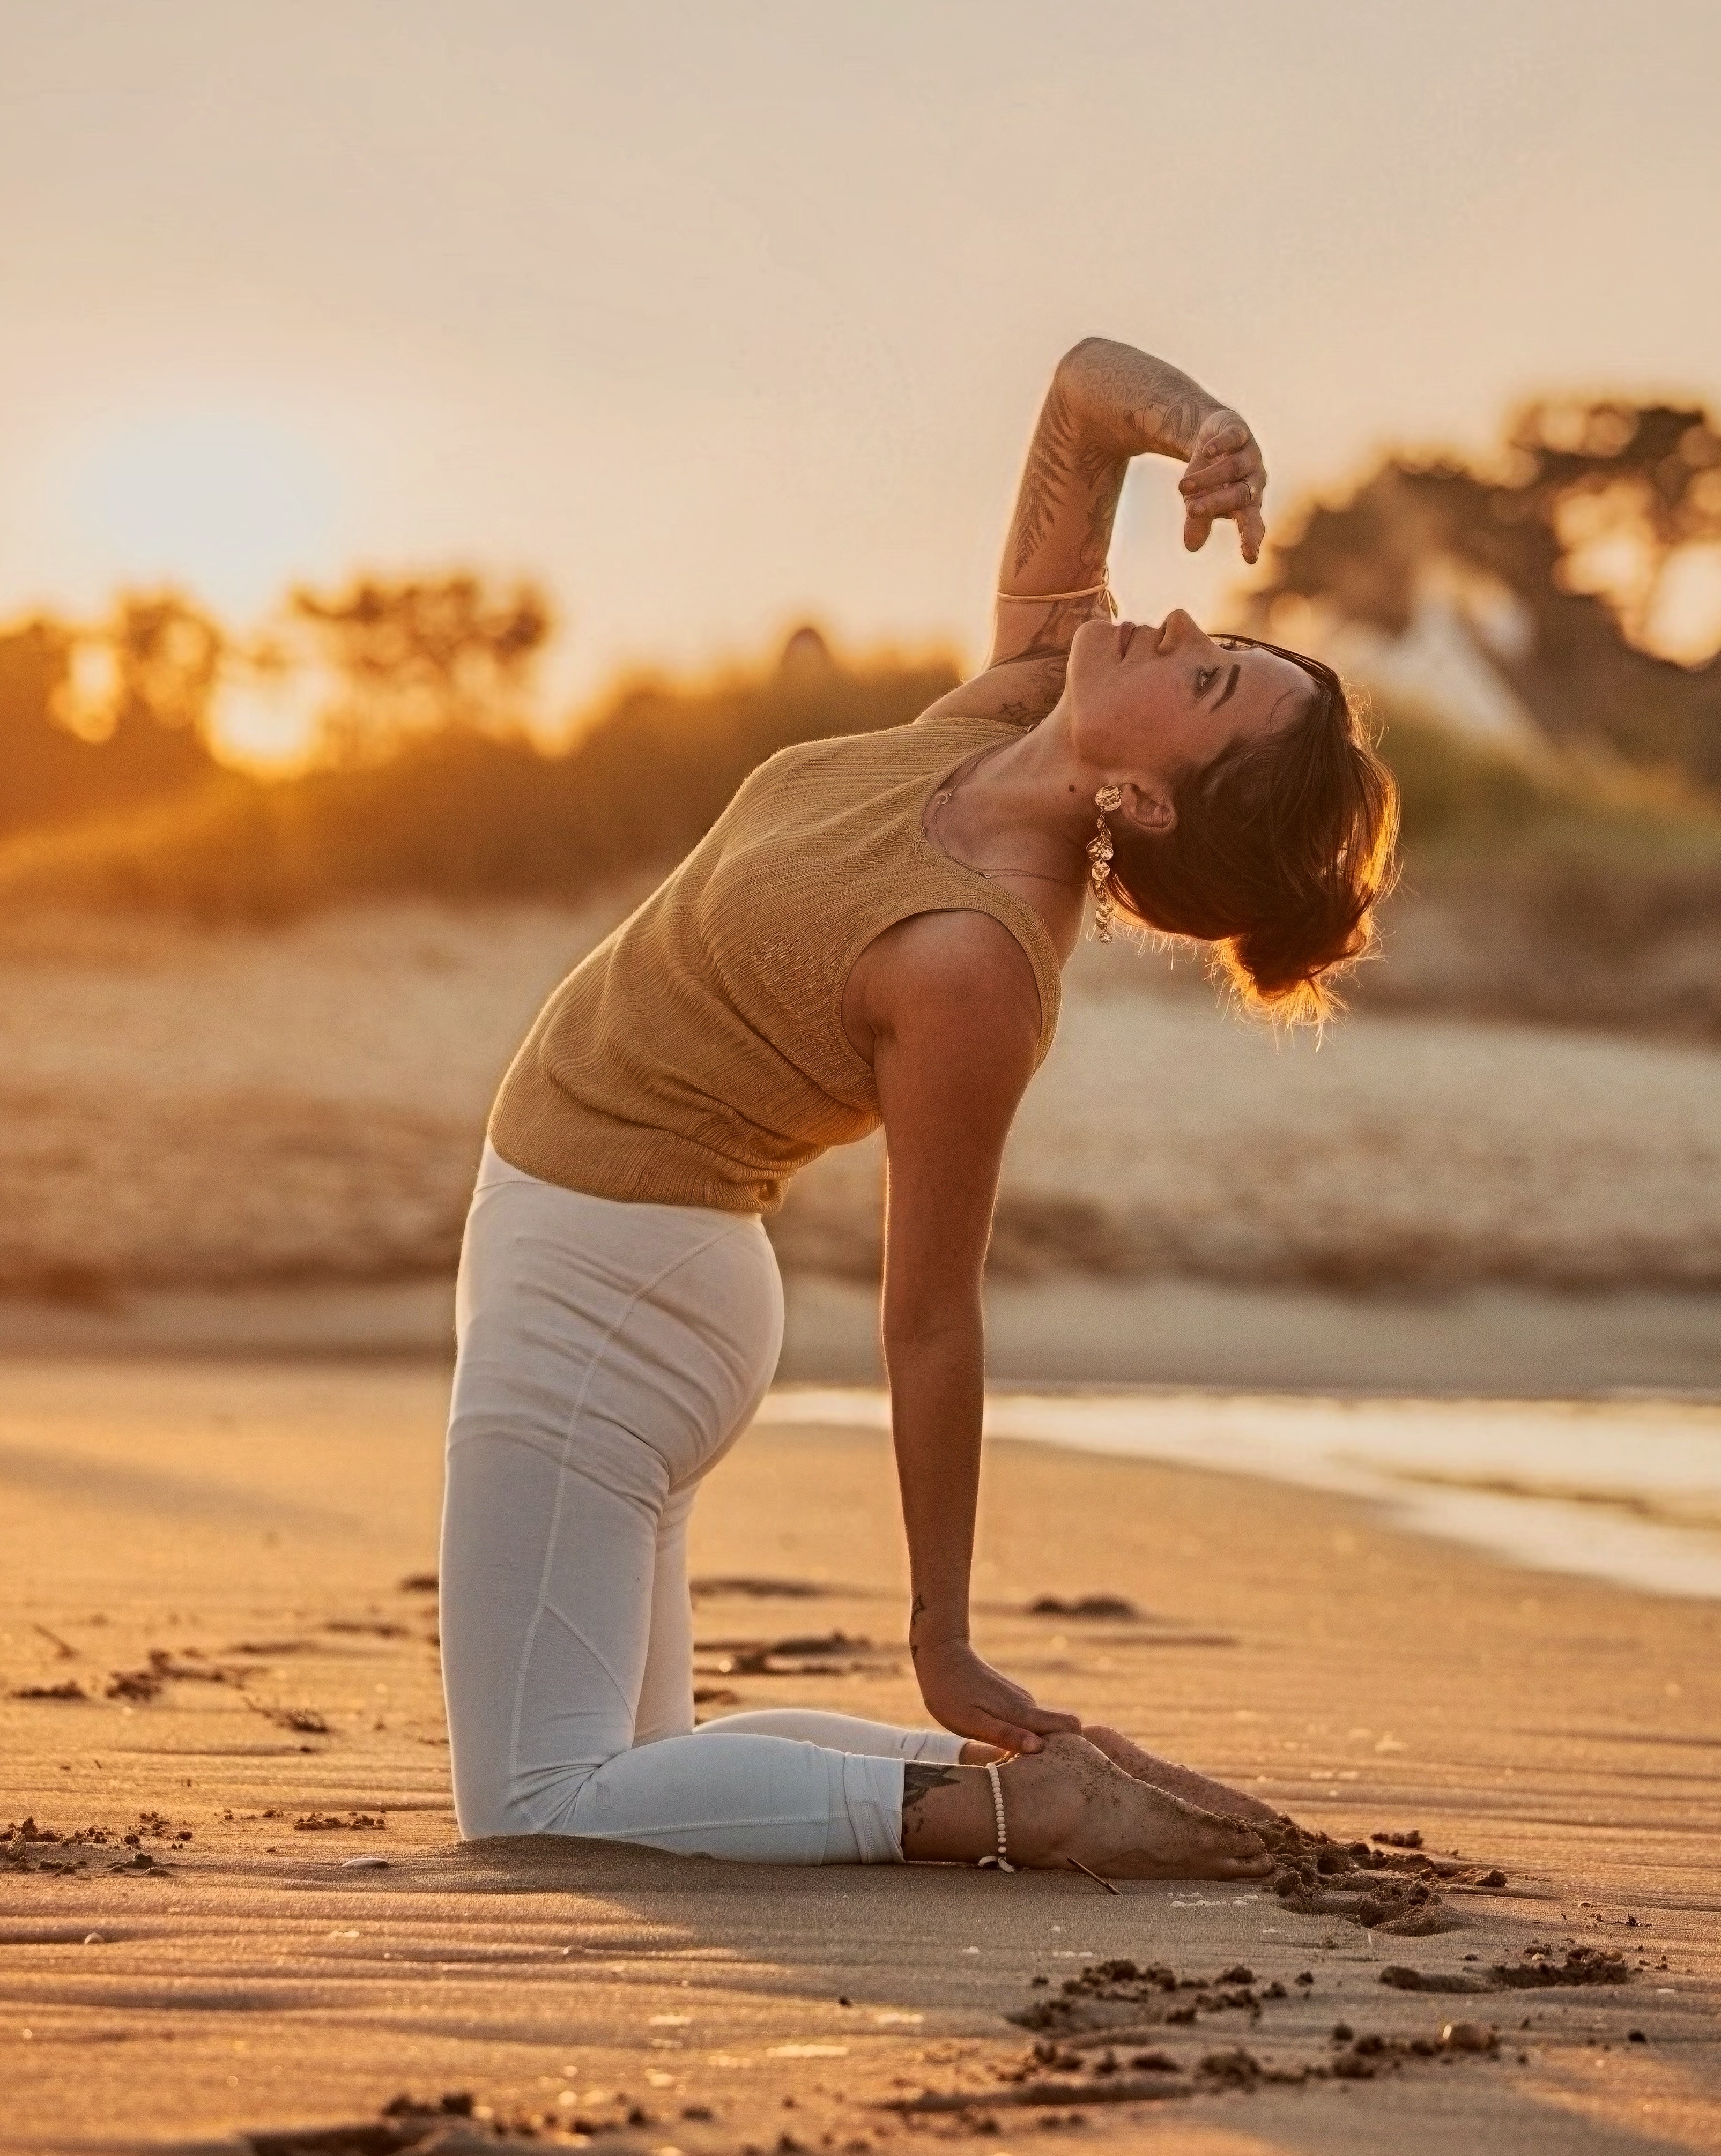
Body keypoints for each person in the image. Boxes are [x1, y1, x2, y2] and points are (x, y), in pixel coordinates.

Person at [439, 337, 1398, 1877]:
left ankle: (1029, 1811)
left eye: (1203, 677)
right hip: (596, 1261)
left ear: (1146, 803)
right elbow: (1084, 397)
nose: (1164, 623)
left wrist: (940, 1629)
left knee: (539, 1802)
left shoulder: (972, 964)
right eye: (1209, 637)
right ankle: (1033, 1784)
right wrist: (1201, 429)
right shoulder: (1017, 710)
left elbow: (932, 1316)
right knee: (627, 1768)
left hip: (614, 1292)